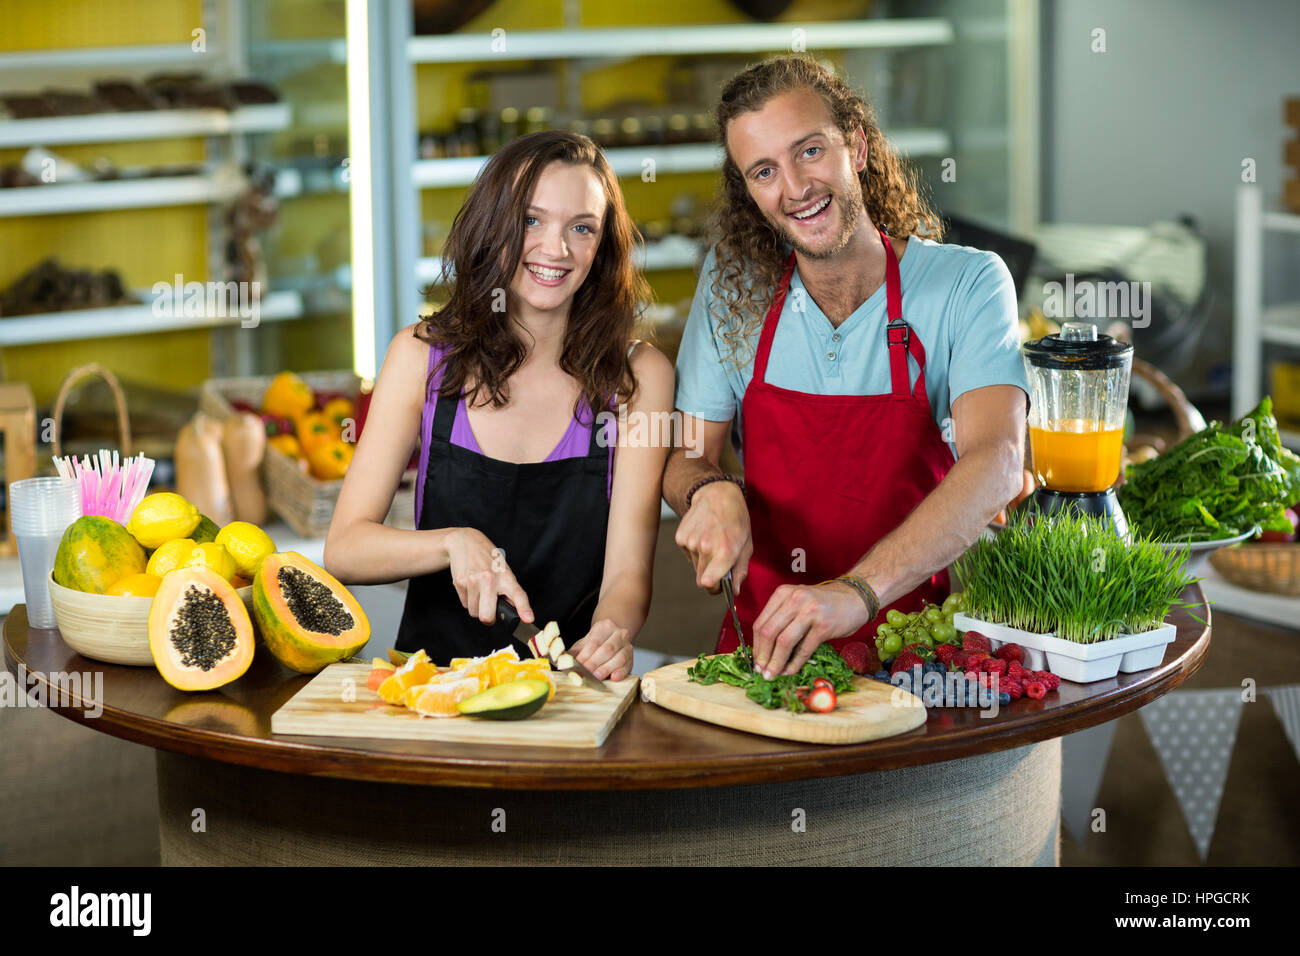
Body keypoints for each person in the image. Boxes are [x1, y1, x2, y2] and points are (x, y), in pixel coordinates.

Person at [664, 55, 1028, 680]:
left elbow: (997, 463)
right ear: (748, 192)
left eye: (809, 151)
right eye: (764, 171)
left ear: (856, 145)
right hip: (771, 655)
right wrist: (709, 488)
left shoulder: (966, 283)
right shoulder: (733, 287)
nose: (795, 188)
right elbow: (683, 457)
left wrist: (853, 595)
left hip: (924, 654)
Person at [325, 131, 674, 681]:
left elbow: (627, 576)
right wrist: (454, 544)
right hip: (430, 694)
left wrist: (612, 633)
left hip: (569, 698)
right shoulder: (421, 357)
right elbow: (345, 547)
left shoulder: (636, 380)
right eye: (531, 221)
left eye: (581, 228)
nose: (555, 249)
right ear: (494, 227)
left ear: (602, 247)